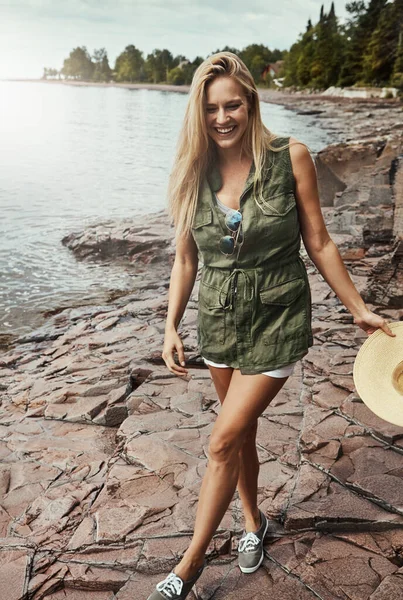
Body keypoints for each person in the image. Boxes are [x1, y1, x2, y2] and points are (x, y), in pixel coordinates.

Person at [147, 52, 395, 600]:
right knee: (242, 436)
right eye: (211, 108)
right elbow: (185, 260)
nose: (222, 117)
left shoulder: (291, 156)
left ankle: (187, 569)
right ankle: (253, 522)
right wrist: (170, 326)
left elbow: (319, 241)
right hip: (218, 318)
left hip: (277, 317)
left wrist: (357, 306)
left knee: (220, 441)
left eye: (232, 104)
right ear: (199, 111)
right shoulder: (191, 170)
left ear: (251, 101)